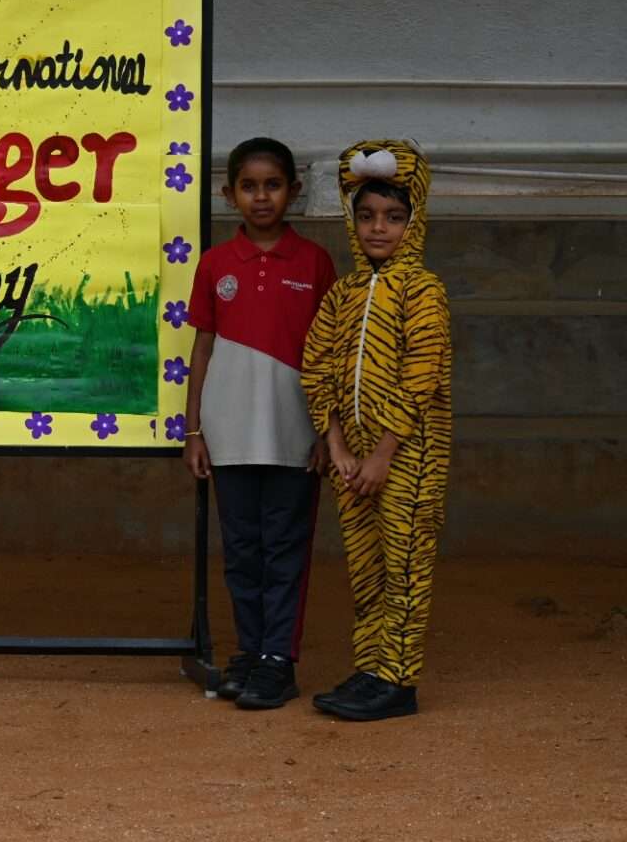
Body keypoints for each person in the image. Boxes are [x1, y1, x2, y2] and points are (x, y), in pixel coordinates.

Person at [302, 139, 452, 722]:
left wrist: (383, 453)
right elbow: (317, 365)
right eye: (366, 216)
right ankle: (370, 668)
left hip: (407, 456)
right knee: (366, 568)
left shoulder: (423, 290)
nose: (378, 228)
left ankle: (397, 679)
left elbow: (421, 375)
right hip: (353, 460)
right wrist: (336, 444)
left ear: (413, 221)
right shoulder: (343, 294)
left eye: (392, 217)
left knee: (405, 564)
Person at [184, 137, 337, 709]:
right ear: (229, 196)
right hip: (229, 434)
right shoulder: (215, 264)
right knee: (243, 551)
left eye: (273, 185)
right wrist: (194, 430)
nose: (262, 196)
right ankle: (249, 650)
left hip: (293, 434)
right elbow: (202, 348)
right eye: (249, 187)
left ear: (293, 191)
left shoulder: (315, 263)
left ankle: (279, 660)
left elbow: (331, 353)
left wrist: (327, 431)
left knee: (285, 549)